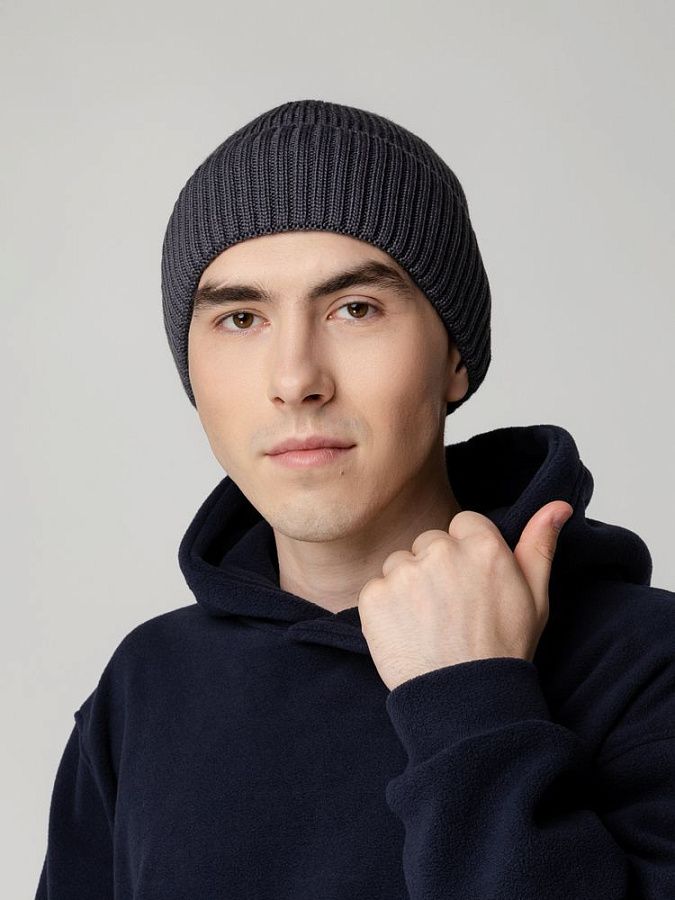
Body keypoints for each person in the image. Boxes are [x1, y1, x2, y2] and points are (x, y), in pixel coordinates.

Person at [35, 98, 675, 899]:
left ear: (454, 358)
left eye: (355, 309)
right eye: (241, 317)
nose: (295, 378)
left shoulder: (644, 664)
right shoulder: (146, 687)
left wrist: (471, 703)